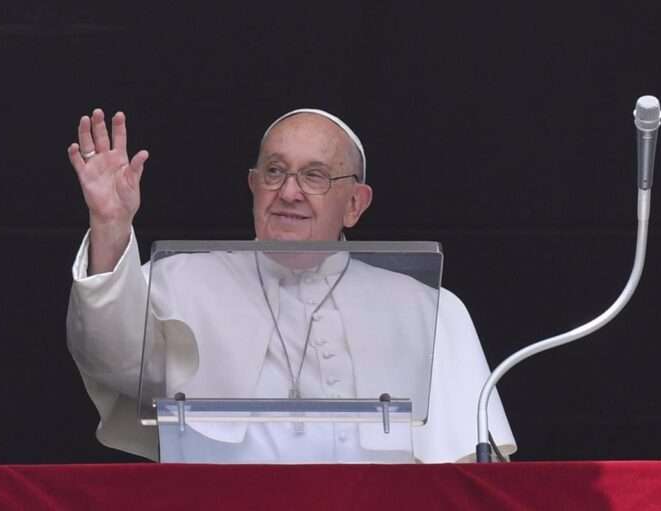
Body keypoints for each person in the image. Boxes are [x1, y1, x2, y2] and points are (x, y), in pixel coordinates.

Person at [66, 108, 516, 462]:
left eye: (315, 175)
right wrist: (110, 225)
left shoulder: (428, 309)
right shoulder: (180, 281)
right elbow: (109, 358)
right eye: (275, 171)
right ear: (253, 186)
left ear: (355, 204)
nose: (289, 192)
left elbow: (471, 466)